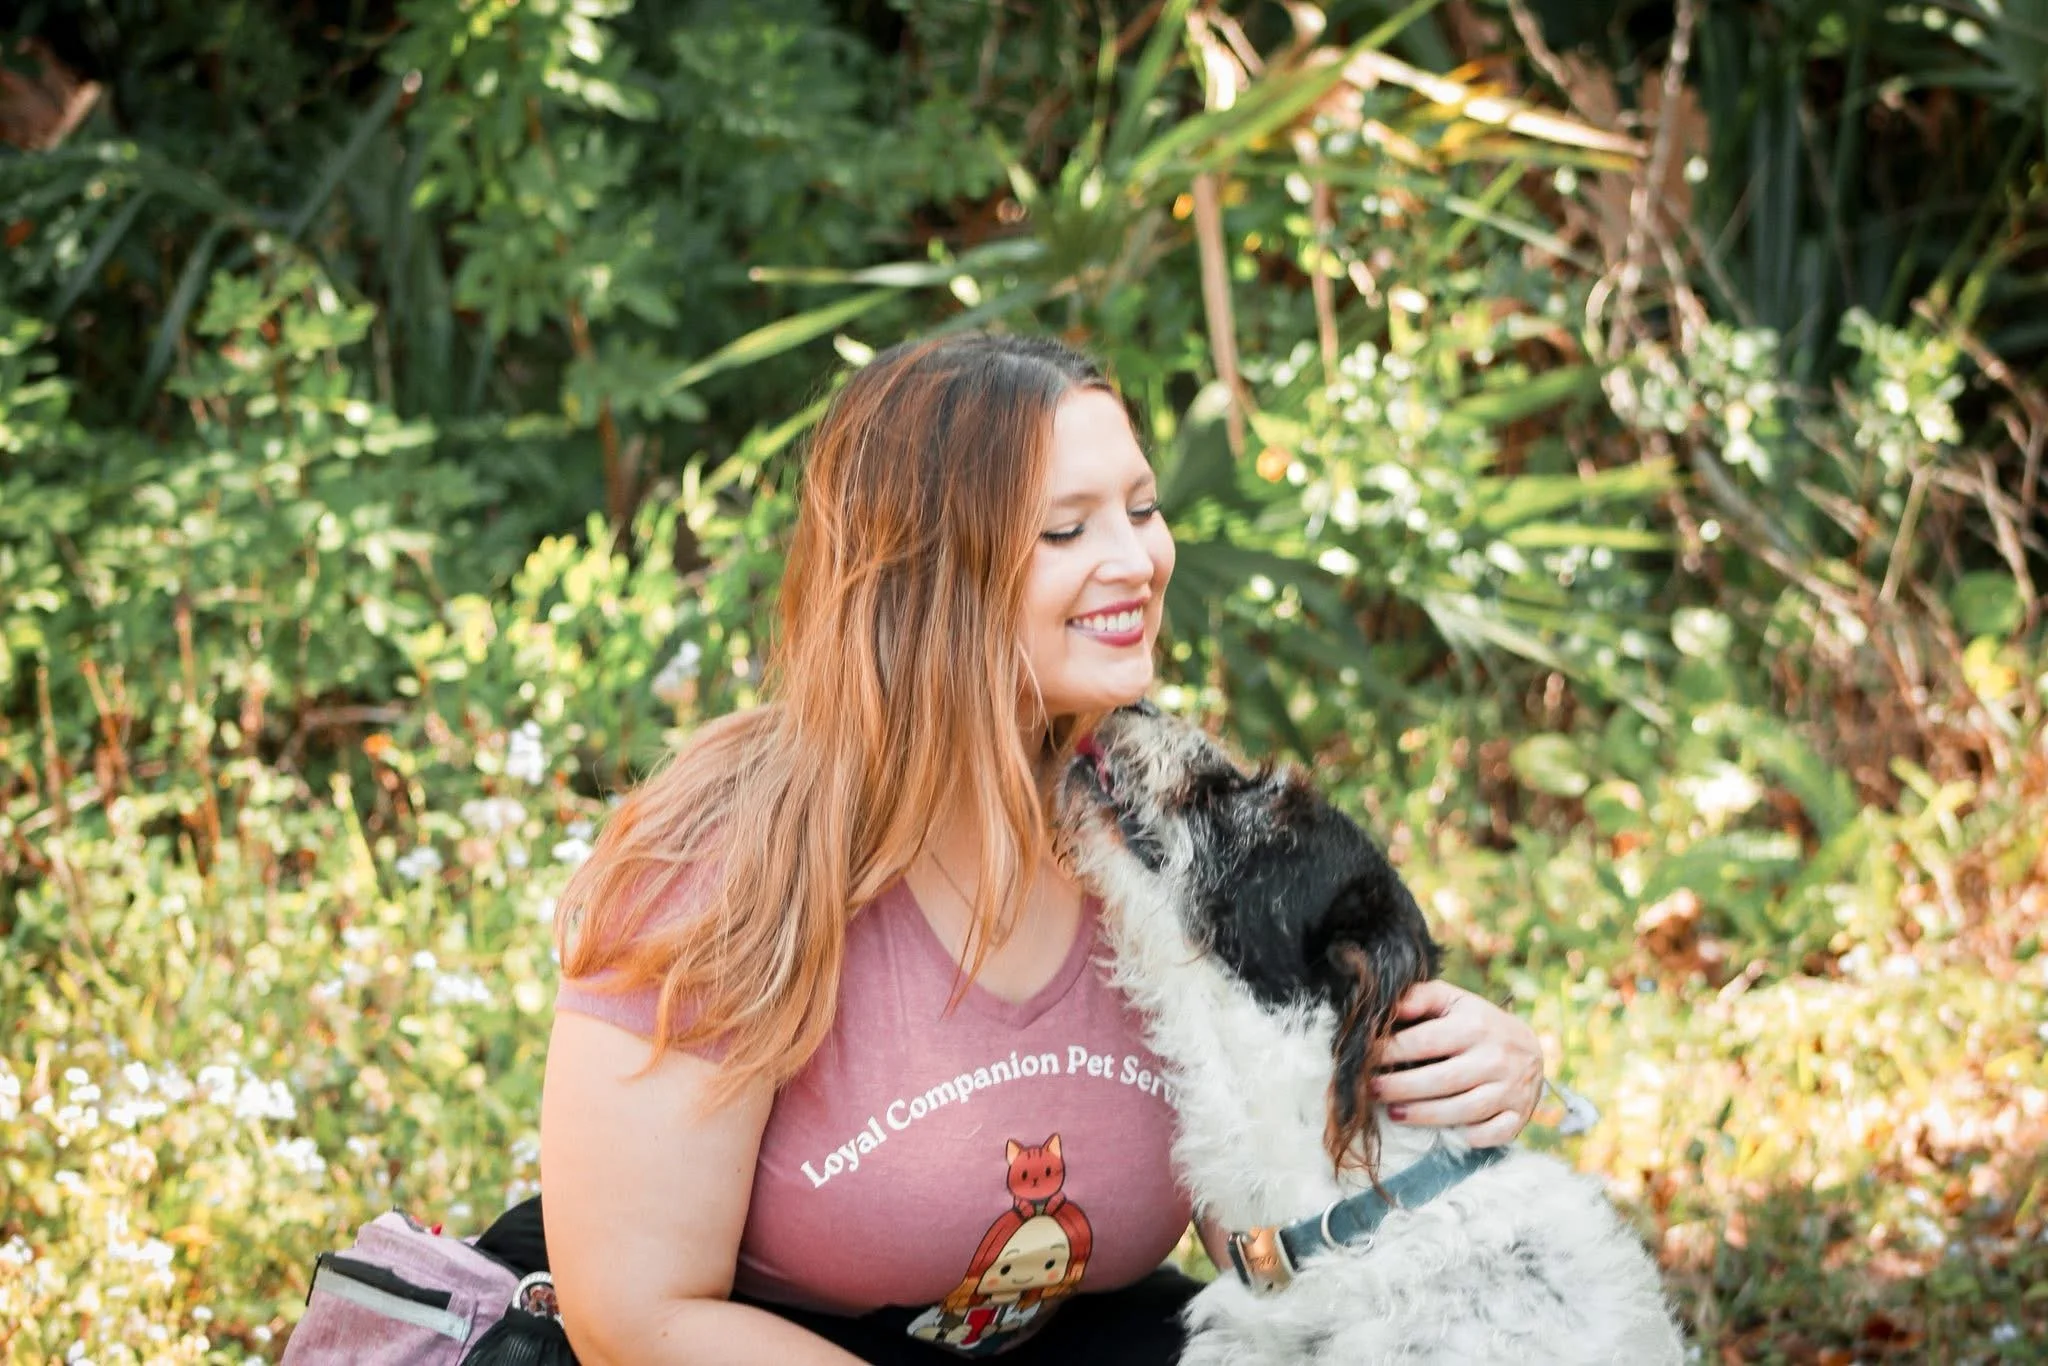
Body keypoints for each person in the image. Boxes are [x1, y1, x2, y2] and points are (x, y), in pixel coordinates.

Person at [539, 333, 1546, 1365]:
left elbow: (1261, 1232)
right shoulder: (722, 859)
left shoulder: (1157, 830)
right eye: (1066, 529)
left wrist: (1462, 1078)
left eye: (1141, 510)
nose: (1137, 560)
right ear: (923, 574)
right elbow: (634, 1316)